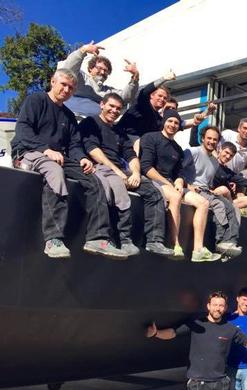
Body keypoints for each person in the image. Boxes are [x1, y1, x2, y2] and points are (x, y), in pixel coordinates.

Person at [10, 68, 126, 259]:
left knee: (94, 178)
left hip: (60, 157)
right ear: (53, 82)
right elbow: (23, 130)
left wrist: (82, 158)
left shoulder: (69, 116)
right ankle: (53, 239)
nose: (67, 90)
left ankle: (97, 238)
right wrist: (45, 149)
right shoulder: (36, 100)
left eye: (71, 87)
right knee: (55, 172)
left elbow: (74, 144)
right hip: (29, 152)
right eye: (63, 84)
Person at [79, 92, 173, 257]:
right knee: (120, 195)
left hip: (122, 171)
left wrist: (135, 173)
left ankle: (154, 241)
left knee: (154, 192)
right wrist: (118, 173)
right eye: (111, 106)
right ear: (102, 104)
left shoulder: (119, 131)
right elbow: (93, 150)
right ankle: (124, 240)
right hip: (100, 167)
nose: (114, 111)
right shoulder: (90, 122)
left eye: (118, 109)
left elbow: (131, 156)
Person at [139, 108, 220, 262]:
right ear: (164, 122)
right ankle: (174, 244)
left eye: (176, 122)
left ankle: (198, 250)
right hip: (154, 181)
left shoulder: (177, 148)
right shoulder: (151, 138)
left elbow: (179, 172)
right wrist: (167, 183)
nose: (173, 124)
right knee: (176, 196)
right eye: (170, 121)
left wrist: (178, 181)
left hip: (171, 184)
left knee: (203, 203)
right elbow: (146, 167)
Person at [182, 126, 242, 259]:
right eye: (209, 138)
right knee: (219, 206)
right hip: (191, 190)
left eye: (215, 139)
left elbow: (207, 182)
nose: (211, 141)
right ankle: (220, 242)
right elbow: (178, 171)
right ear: (202, 138)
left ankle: (230, 242)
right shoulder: (192, 152)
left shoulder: (215, 162)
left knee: (231, 207)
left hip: (205, 191)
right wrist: (187, 185)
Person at [57, 41, 139, 118]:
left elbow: (125, 97)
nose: (102, 72)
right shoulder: (81, 78)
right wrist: (83, 50)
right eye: (99, 68)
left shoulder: (107, 91)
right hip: (71, 117)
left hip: (92, 126)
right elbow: (68, 70)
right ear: (90, 69)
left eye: (106, 70)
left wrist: (135, 77)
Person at [116, 70, 176, 150]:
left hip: (140, 148)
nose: (162, 99)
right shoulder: (143, 104)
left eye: (165, 98)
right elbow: (145, 91)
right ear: (151, 95)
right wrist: (164, 78)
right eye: (160, 96)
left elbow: (176, 124)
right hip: (122, 139)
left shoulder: (158, 119)